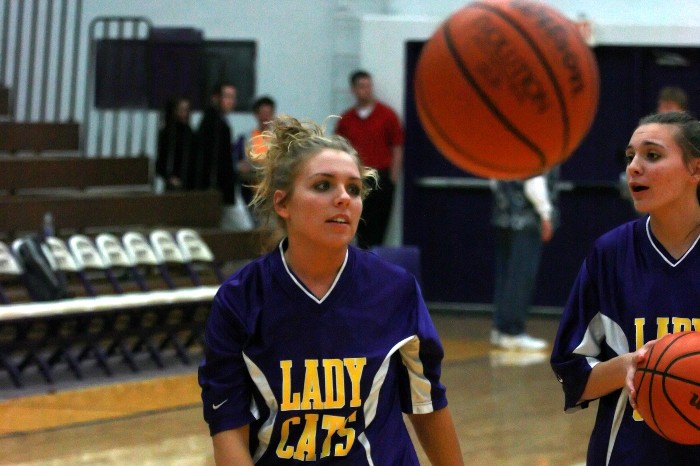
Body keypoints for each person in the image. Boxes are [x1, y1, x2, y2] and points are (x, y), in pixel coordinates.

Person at [198, 115, 464, 465]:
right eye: (323, 185)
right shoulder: (239, 300)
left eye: (353, 189)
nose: (343, 198)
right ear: (282, 204)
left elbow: (426, 404)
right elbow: (228, 430)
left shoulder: (395, 290)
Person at [550, 111, 700, 465]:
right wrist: (630, 367)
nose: (634, 167)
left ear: (695, 169)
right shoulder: (610, 254)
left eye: (652, 155)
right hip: (628, 454)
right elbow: (572, 373)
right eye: (630, 156)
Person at [489, 170, 558, 351]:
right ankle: (512, 331)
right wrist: (545, 213)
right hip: (527, 218)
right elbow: (533, 178)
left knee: (505, 276)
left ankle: (500, 328)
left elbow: (493, 176)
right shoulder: (537, 151)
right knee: (521, 277)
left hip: (502, 215)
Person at [335, 70, 404, 249]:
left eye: (368, 86)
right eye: (362, 86)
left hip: (381, 177)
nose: (366, 90)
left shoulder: (387, 115)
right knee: (357, 224)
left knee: (379, 226)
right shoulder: (346, 119)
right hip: (356, 178)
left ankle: (374, 259)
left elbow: (397, 146)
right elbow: (338, 149)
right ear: (353, 89)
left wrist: (393, 178)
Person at [191, 82, 243, 229]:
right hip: (219, 188)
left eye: (233, 97)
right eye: (227, 96)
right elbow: (215, 160)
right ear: (215, 98)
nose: (231, 101)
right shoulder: (216, 124)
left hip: (217, 188)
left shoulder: (214, 121)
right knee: (242, 228)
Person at [155, 96, 193, 191]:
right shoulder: (167, 133)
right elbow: (161, 161)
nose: (185, 113)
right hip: (173, 184)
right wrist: (170, 178)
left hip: (189, 182)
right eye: (182, 110)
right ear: (174, 111)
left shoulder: (190, 133)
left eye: (187, 110)